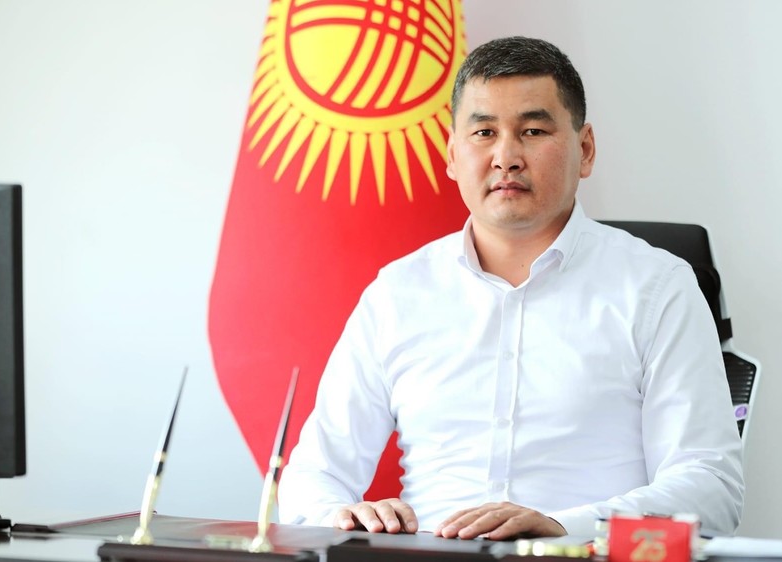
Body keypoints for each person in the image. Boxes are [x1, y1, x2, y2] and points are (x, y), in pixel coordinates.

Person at [278, 36, 743, 540]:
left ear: (585, 149)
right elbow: (313, 476)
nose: (506, 157)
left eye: (533, 130)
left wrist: (563, 526)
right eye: (484, 132)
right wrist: (345, 517)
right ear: (452, 154)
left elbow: (710, 487)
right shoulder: (398, 293)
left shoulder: (658, 288)